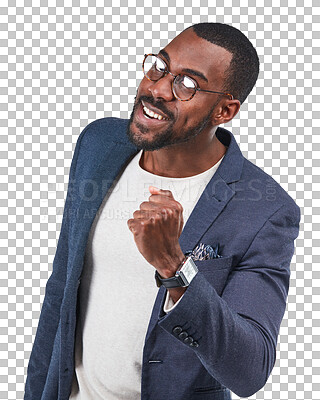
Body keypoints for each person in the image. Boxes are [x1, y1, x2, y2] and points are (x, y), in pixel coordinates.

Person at [24, 22, 300, 400]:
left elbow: (250, 369)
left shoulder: (264, 209)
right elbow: (61, 288)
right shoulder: (99, 143)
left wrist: (174, 266)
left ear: (225, 110)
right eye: (159, 66)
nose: (156, 89)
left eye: (187, 84)